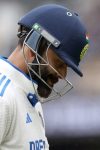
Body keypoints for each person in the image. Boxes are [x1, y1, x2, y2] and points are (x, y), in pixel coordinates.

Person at [0, 4, 89, 150]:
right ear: (32, 48)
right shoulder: (3, 98)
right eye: (59, 63)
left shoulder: (29, 96)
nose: (62, 75)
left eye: (66, 68)